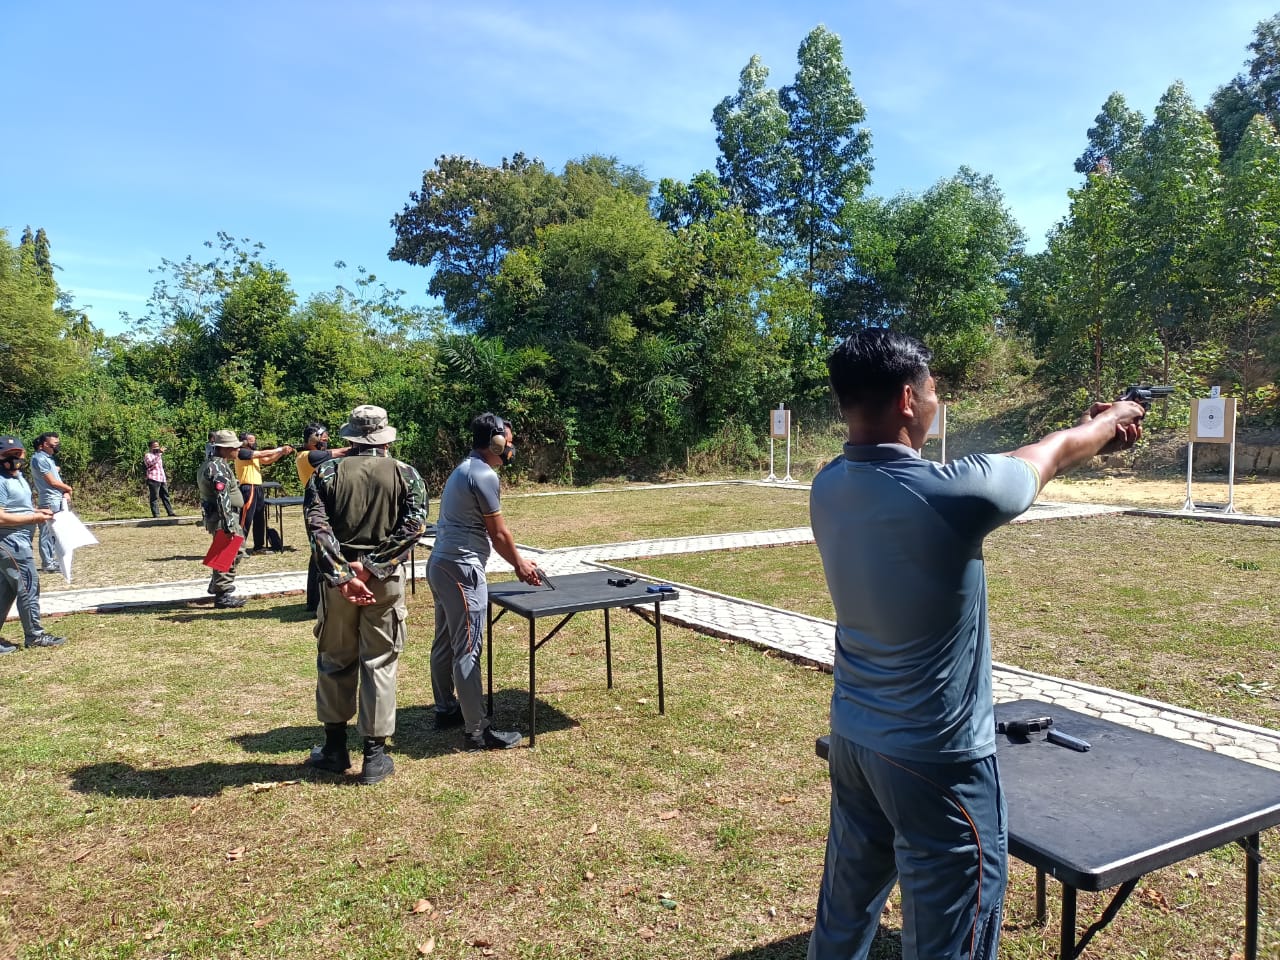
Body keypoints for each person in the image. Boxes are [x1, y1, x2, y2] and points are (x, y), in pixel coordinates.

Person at [806, 329, 1146, 960]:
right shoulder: (951, 494)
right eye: (934, 391)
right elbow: (1050, 455)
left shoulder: (829, 486)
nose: (937, 402)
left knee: (844, 913)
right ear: (909, 399)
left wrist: (1087, 427)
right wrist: (1111, 422)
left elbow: (1008, 462)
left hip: (855, 740)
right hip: (938, 762)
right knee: (950, 939)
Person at [303, 405, 428, 785]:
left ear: (350, 437)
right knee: (380, 661)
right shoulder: (407, 474)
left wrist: (344, 573)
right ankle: (374, 755)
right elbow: (414, 527)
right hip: (384, 582)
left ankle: (335, 748)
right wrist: (372, 566)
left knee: (334, 659)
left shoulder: (325, 472)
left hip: (339, 584)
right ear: (385, 438)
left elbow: (317, 528)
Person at [428, 413, 541, 751]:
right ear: (494, 441)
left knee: (446, 641)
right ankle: (476, 731)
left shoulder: (464, 468)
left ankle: (446, 708)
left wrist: (519, 560)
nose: (511, 445)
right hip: (463, 570)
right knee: (468, 648)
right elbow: (499, 533)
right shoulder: (484, 474)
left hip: (442, 564)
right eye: (508, 438)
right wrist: (520, 564)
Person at [0, 436, 67, 652]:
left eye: (18, 454)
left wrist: (37, 512)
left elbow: (17, 508)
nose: (14, 459)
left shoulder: (17, 477)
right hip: (9, 542)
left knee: (7, 590)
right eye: (9, 455)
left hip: (20, 539)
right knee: (29, 585)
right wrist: (33, 519)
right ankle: (35, 636)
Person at [295, 423, 351, 614]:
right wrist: (357, 448)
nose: (325, 439)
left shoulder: (312, 454)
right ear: (311, 439)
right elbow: (337, 454)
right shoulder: (306, 455)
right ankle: (317, 600)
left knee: (321, 550)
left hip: (323, 500)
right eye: (321, 436)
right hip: (315, 501)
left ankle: (316, 600)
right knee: (320, 550)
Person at [197, 430, 248, 609]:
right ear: (225, 449)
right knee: (229, 553)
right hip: (224, 516)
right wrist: (228, 525)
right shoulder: (218, 468)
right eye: (235, 447)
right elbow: (222, 496)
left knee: (228, 552)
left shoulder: (211, 464)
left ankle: (217, 585)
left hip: (218, 516)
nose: (237, 450)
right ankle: (222, 593)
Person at [234, 432, 294, 553]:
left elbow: (266, 460)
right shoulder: (241, 452)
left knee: (259, 518)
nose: (254, 442)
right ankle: (237, 549)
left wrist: (281, 453)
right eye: (251, 440)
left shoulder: (252, 455)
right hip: (248, 487)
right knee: (245, 519)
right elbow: (263, 453)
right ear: (244, 442)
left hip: (257, 487)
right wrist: (280, 449)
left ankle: (259, 546)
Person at [29, 432, 71, 573]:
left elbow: (55, 476)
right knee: (47, 532)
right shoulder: (39, 458)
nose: (57, 445)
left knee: (55, 532)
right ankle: (48, 563)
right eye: (55, 443)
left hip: (55, 498)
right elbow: (52, 481)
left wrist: (64, 491)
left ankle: (52, 560)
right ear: (45, 444)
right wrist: (68, 488)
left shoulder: (48, 459)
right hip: (49, 500)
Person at [143, 440, 177, 518]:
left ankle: (170, 512)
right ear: (150, 447)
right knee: (154, 497)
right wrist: (159, 454)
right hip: (153, 478)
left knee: (166, 496)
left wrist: (159, 454)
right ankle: (156, 514)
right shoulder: (148, 455)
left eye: (158, 446)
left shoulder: (158, 455)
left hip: (161, 478)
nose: (157, 447)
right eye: (155, 446)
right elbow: (150, 463)